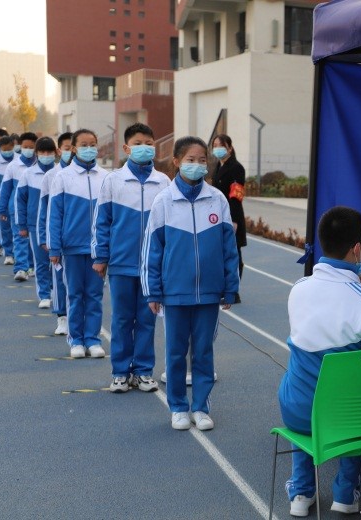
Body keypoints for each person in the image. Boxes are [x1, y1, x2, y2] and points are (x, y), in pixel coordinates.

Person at [277, 206, 361, 517]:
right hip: (345, 420)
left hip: (296, 410)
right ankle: (346, 492)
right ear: (359, 250)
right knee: (356, 391)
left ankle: (301, 491)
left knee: (306, 379)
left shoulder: (298, 289)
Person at [142, 136, 239, 431]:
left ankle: (200, 405)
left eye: (202, 160)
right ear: (176, 162)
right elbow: (152, 250)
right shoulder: (164, 201)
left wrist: (230, 286)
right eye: (190, 160)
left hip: (209, 293)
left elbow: (228, 248)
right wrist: (153, 291)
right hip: (175, 293)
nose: (197, 165)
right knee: (175, 352)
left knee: (203, 351)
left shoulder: (217, 199)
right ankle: (178, 407)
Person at [92, 123, 170, 393]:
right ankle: (120, 372)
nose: (144, 147)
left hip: (152, 267)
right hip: (122, 264)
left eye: (149, 142)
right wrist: (101, 256)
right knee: (122, 320)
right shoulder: (113, 181)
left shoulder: (163, 182)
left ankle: (144, 370)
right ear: (126, 148)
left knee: (147, 319)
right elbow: (102, 222)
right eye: (138, 142)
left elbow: (168, 226)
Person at [47, 129, 110, 359]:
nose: (89, 148)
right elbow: (55, 215)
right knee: (75, 294)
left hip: (97, 249)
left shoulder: (105, 176)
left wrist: (106, 246)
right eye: (84, 144)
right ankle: (76, 339)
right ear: (73, 147)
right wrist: (55, 247)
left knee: (94, 295)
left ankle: (92, 339)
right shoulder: (62, 177)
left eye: (93, 144)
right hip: (72, 247)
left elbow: (109, 215)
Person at [37, 132, 72, 336]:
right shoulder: (52, 175)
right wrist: (45, 237)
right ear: (60, 150)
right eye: (66, 148)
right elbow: (44, 210)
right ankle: (62, 318)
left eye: (72, 147)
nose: (70, 151)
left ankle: (80, 320)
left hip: (81, 239)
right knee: (59, 279)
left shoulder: (91, 176)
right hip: (59, 237)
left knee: (82, 286)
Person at [16, 137, 58, 309]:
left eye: (49, 152)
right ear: (36, 154)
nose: (46, 155)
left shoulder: (60, 172)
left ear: (55, 153)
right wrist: (22, 225)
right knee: (41, 261)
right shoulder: (28, 174)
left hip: (56, 225)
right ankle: (44, 295)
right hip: (35, 225)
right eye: (42, 152)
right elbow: (20, 200)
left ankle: (56, 290)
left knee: (56, 261)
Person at [0, 132, 38, 281]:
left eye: (31, 147)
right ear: (20, 146)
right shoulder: (13, 166)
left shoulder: (40, 165)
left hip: (35, 210)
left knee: (34, 240)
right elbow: (5, 189)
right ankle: (21, 268)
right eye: (25, 147)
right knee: (20, 238)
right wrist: (2, 209)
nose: (28, 149)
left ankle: (32, 266)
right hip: (16, 209)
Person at [211, 134, 246, 285]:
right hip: (218, 215)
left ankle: (233, 288)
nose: (217, 149)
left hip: (232, 216)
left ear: (230, 148)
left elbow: (236, 197)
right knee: (220, 253)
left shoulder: (237, 168)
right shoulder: (219, 166)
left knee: (234, 254)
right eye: (215, 146)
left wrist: (234, 220)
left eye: (221, 145)